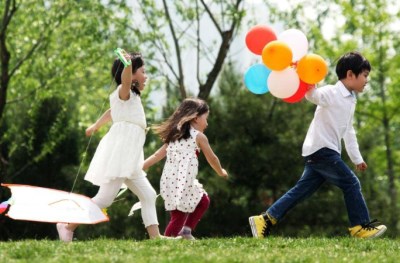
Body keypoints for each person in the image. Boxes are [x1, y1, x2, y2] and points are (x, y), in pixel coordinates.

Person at [249, 51, 387, 239]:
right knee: (351, 182)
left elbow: (348, 131)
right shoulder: (332, 92)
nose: (366, 80)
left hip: (320, 152)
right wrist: (307, 78)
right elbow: (313, 96)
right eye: (365, 75)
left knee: (300, 191)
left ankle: (265, 219)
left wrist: (357, 158)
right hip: (322, 150)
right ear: (350, 75)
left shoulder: (350, 99)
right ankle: (360, 226)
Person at [56, 51, 166, 242]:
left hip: (131, 157)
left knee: (148, 195)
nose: (146, 75)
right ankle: (67, 225)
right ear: (130, 75)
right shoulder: (124, 91)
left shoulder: (131, 96)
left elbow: (110, 112)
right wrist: (128, 63)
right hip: (122, 154)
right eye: (142, 70)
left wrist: (95, 126)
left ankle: (155, 237)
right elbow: (123, 83)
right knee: (104, 199)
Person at [143, 98, 228, 240]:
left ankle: (186, 232)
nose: (207, 123)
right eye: (205, 119)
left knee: (203, 200)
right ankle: (166, 242)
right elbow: (212, 158)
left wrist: (140, 167)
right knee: (178, 217)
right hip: (182, 184)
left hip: (172, 182)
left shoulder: (174, 137)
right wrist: (221, 171)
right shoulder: (199, 137)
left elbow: (157, 155)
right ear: (195, 118)